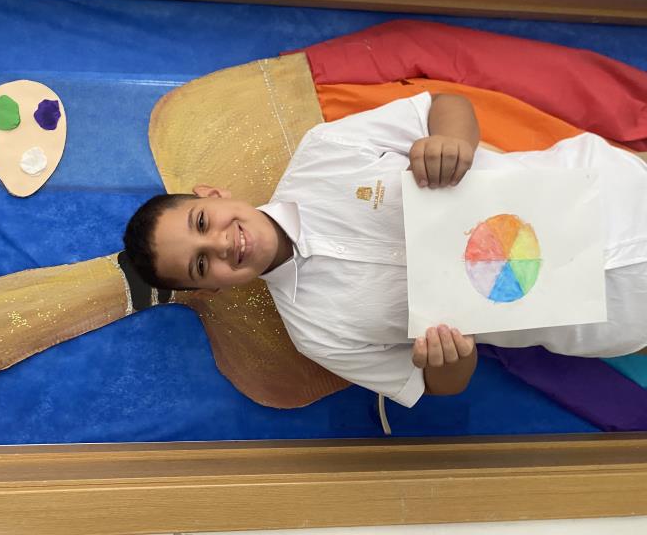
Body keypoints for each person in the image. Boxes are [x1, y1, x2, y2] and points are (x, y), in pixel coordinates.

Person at [124, 92, 647, 408]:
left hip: (616, 191)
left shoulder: (324, 152)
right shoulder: (316, 334)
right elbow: (440, 387)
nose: (222, 243)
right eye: (201, 264)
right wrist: (449, 359)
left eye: (201, 222)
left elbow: (445, 106)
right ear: (211, 289)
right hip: (616, 316)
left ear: (213, 195)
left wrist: (452, 141)